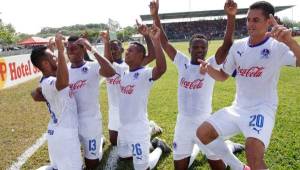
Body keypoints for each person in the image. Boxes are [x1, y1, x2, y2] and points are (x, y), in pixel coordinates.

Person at [196, 1, 300, 169]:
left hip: (262, 109)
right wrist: (208, 69)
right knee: (203, 133)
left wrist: (291, 42)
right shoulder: (238, 46)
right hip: (238, 108)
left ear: (268, 22)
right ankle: (239, 167)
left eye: (256, 20)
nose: (250, 24)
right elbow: (223, 76)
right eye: (248, 19)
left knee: (253, 153)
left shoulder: (277, 46)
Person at [149, 0, 245, 169]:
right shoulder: (182, 62)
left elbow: (227, 45)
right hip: (182, 124)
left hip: (204, 123)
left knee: (219, 167)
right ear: (189, 48)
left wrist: (230, 17)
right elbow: (164, 42)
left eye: (203, 48)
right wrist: (156, 15)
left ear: (207, 50)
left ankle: (229, 146)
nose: (200, 50)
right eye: (196, 47)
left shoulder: (210, 65)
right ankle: (200, 148)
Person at [117, 24, 171, 170]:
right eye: (126, 50)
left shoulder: (144, 73)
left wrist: (156, 41)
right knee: (123, 156)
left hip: (137, 128)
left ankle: (159, 147)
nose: (126, 52)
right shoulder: (124, 71)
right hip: (123, 127)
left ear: (141, 55)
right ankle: (151, 130)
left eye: (130, 51)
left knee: (142, 167)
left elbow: (161, 69)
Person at [101, 26, 162, 146]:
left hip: (130, 111)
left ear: (122, 50)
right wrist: (106, 44)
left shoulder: (130, 65)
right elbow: (106, 61)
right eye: (110, 48)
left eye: (115, 48)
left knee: (131, 140)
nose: (112, 51)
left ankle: (150, 128)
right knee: (114, 142)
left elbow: (152, 56)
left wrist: (146, 36)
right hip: (114, 109)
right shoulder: (108, 65)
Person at [30, 33, 82, 170]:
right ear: (46, 64)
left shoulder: (46, 80)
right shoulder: (49, 82)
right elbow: (63, 82)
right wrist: (60, 50)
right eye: (53, 57)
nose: (57, 58)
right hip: (65, 134)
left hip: (57, 132)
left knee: (58, 167)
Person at [66, 35, 115, 169]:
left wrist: (92, 48)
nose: (70, 51)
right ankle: (99, 142)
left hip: (91, 122)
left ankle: (98, 143)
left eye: (74, 48)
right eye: (68, 48)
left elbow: (111, 72)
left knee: (91, 165)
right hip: (70, 123)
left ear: (83, 50)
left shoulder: (93, 67)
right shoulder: (63, 70)